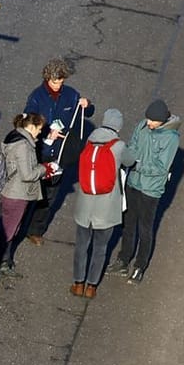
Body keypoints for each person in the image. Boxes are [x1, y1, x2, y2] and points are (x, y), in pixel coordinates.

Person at [23, 58, 88, 241]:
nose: (58, 85)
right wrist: (44, 133)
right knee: (29, 191)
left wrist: (86, 104)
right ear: (47, 78)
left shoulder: (71, 94)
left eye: (61, 81)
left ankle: (35, 231)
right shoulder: (36, 96)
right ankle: (19, 226)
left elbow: (87, 112)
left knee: (50, 195)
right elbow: (27, 122)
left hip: (59, 154)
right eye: (55, 82)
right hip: (39, 152)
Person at [117, 100, 179, 282]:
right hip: (133, 183)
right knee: (128, 224)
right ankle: (123, 259)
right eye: (147, 119)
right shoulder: (142, 126)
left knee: (145, 229)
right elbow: (133, 144)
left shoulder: (171, 138)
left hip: (150, 191)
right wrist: (128, 156)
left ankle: (139, 266)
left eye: (152, 121)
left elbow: (162, 167)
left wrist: (137, 165)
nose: (148, 123)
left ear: (162, 120)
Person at [70, 108, 127, 296]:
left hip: (85, 206)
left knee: (81, 246)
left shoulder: (89, 141)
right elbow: (131, 160)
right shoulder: (118, 146)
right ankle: (91, 287)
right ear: (118, 126)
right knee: (100, 248)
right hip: (106, 207)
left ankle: (78, 283)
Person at [0, 114, 48, 272]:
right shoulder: (24, 145)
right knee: (11, 230)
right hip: (18, 194)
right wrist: (43, 168)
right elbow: (27, 175)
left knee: (7, 227)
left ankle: (1, 259)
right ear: (31, 127)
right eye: (39, 129)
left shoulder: (14, 137)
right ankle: (2, 262)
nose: (40, 133)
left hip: (10, 191)